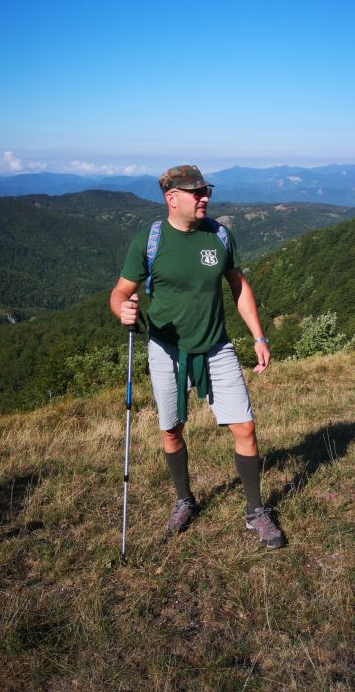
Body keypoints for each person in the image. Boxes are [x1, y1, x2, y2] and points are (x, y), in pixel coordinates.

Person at [110, 164, 285, 549]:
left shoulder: (220, 235)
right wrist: (122, 308)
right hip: (167, 350)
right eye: (197, 192)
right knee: (171, 430)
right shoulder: (148, 242)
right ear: (172, 199)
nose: (205, 197)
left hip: (217, 347)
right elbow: (120, 292)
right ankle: (184, 500)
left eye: (206, 191)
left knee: (246, 428)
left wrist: (259, 335)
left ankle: (256, 511)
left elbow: (238, 286)